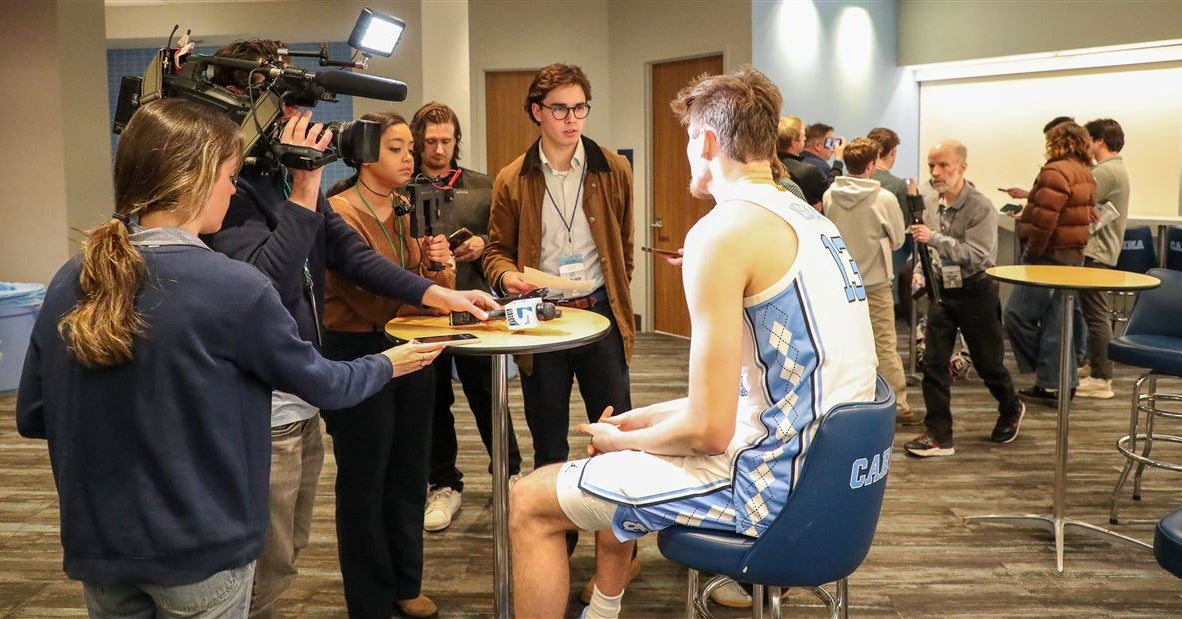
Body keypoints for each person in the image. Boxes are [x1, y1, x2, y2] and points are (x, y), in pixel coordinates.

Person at [15, 98, 443, 618]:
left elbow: (34, 414)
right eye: (228, 175)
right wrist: (392, 363)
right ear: (195, 180)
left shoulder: (70, 278)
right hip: (200, 550)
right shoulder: (233, 287)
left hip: (100, 550)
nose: (235, 189)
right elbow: (326, 385)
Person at [508, 67, 877, 618]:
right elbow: (761, 389)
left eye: (687, 139)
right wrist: (642, 424)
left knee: (529, 500)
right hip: (841, 472)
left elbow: (709, 431)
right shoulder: (807, 218)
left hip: (775, 481)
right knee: (620, 455)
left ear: (705, 140)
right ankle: (603, 610)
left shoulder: (722, 231)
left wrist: (632, 441)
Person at [205, 40, 496, 618]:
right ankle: (368, 602)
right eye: (289, 111)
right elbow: (269, 280)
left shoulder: (288, 188)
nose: (305, 127)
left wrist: (439, 288)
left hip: (368, 360)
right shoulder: (253, 195)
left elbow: (361, 262)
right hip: (314, 369)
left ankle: (402, 584)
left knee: (401, 477)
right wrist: (309, 186)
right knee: (341, 501)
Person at [483, 63, 636, 559]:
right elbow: (494, 251)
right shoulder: (513, 177)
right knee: (549, 440)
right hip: (543, 322)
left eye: (579, 108)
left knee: (614, 436)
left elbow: (624, 250)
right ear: (537, 112)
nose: (572, 119)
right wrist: (507, 277)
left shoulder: (613, 168)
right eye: (560, 109)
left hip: (600, 318)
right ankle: (555, 550)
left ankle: (618, 556)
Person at [319, 112, 451, 619]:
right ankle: (370, 600)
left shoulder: (406, 205)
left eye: (410, 149)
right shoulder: (337, 212)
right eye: (397, 148)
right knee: (364, 479)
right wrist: (432, 295)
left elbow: (428, 276)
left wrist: (439, 262)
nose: (410, 157)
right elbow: (369, 297)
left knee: (409, 470)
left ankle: (404, 581)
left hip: (414, 351)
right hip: (359, 355)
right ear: (365, 153)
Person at [411, 101, 525, 532]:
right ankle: (443, 484)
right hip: (422, 315)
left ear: (457, 140)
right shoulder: (402, 187)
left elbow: (507, 238)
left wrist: (482, 242)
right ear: (419, 140)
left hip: (477, 312)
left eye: (447, 140)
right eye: (431, 140)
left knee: (488, 397)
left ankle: (509, 476)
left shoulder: (484, 186)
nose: (439, 149)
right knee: (432, 402)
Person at [904, 140, 1025, 457]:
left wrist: (935, 239)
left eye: (943, 165)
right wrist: (920, 270)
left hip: (976, 292)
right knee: (933, 363)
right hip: (941, 290)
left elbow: (980, 255)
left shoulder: (980, 206)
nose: (935, 172)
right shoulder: (931, 203)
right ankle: (939, 434)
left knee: (988, 364)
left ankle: (1011, 407)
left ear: (962, 167)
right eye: (932, 165)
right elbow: (925, 248)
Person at [1004, 122, 1095, 406]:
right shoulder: (1086, 174)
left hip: (1047, 257)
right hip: (1073, 257)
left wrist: (1033, 251)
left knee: (1016, 316)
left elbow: (1045, 221)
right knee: (1058, 323)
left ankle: (1051, 373)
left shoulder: (1054, 171)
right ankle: (1058, 383)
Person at [823, 138, 911, 423]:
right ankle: (897, 405)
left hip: (840, 282)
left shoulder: (830, 195)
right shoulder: (884, 198)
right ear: (872, 165)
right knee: (884, 343)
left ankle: (847, 399)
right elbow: (898, 240)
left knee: (844, 342)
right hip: (874, 282)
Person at [1076, 118, 1130, 399]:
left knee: (1096, 315)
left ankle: (1101, 378)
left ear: (1099, 141)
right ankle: (1094, 365)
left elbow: (1075, 198)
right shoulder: (1113, 169)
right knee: (1093, 313)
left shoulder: (1106, 171)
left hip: (1096, 252)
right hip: (1099, 251)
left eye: (1087, 140)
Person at [775, 115, 827, 208]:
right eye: (803, 135)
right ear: (794, 142)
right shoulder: (809, 172)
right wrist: (838, 161)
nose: (805, 138)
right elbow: (831, 195)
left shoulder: (769, 166)